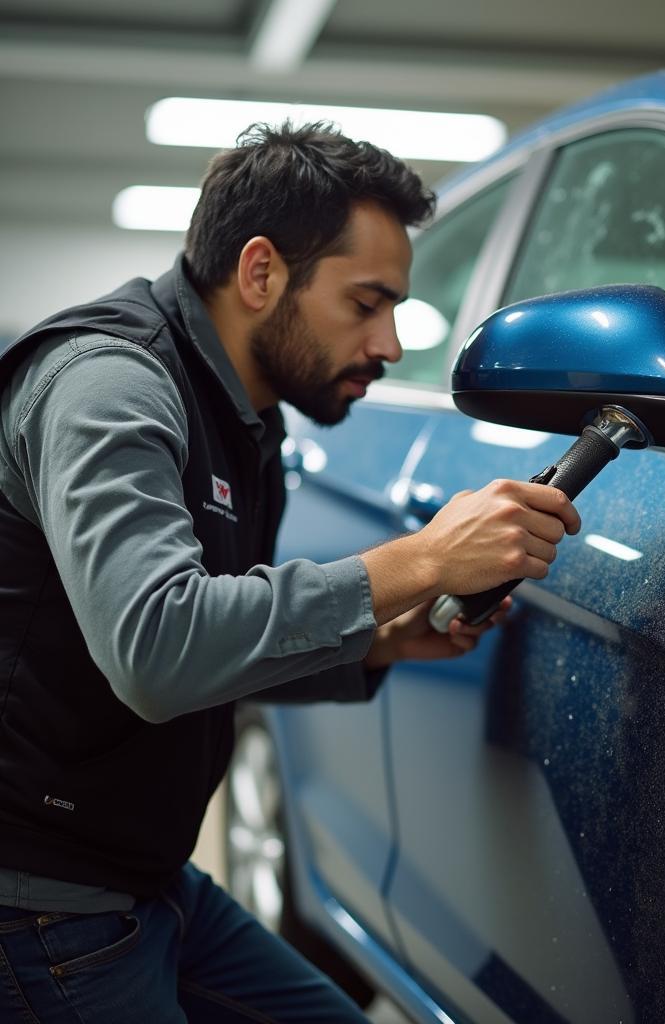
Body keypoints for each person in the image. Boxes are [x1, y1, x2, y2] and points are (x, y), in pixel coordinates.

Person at [0, 122, 580, 1023]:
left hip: (141, 877)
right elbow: (161, 651)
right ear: (261, 271)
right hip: (40, 900)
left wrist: (373, 648)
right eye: (366, 303)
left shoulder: (247, 418)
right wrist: (422, 557)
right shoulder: (111, 386)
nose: (390, 343)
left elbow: (218, 647)